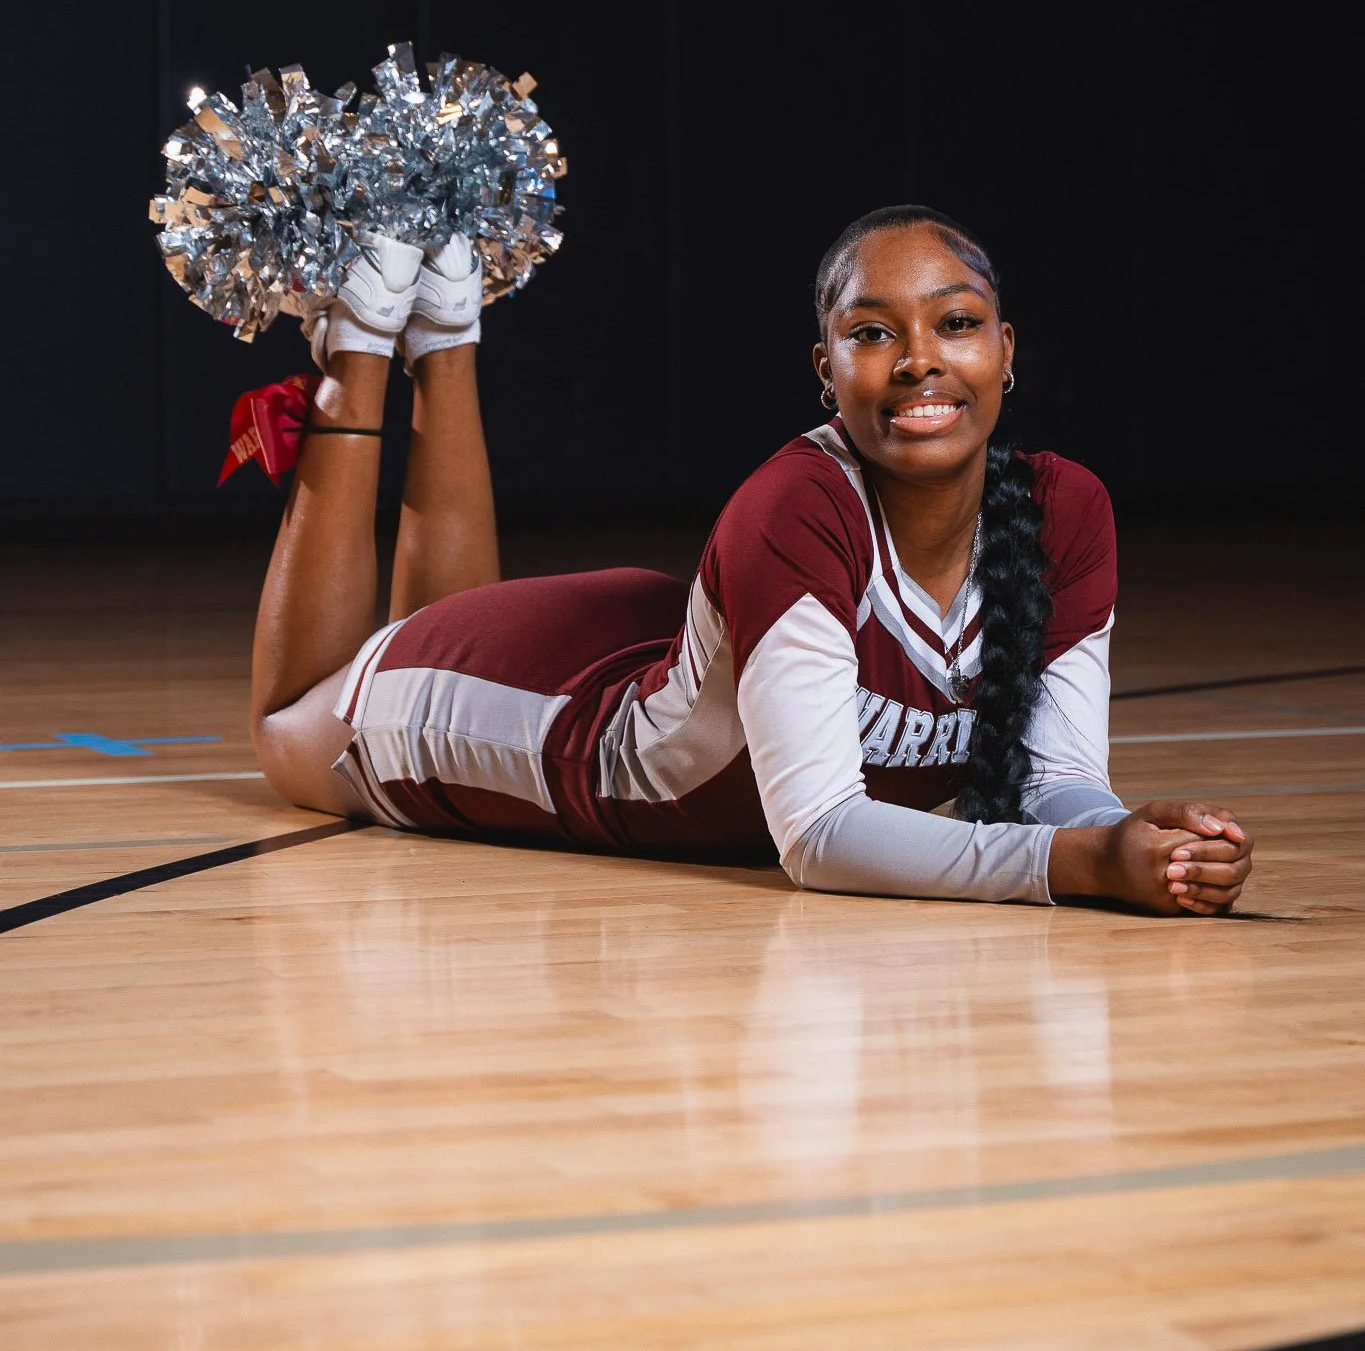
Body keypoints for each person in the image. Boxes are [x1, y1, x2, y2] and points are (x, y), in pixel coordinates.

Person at [251, 205, 1253, 915]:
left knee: (428, 632)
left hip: (650, 646)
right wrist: (1084, 864)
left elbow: (1059, 776)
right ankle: (366, 338)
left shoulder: (1063, 507)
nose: (919, 358)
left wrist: (1135, 839)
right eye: (873, 331)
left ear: (1005, 348)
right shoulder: (801, 502)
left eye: (955, 322)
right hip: (550, 721)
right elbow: (819, 836)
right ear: (827, 369)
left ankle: (450, 323)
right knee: (289, 729)